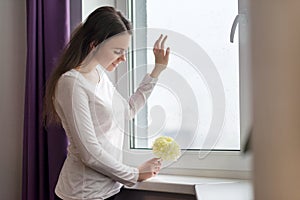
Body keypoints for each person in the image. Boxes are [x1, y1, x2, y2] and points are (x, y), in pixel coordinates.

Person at [43, 6, 170, 200]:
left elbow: (126, 112)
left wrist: (156, 71)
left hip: (110, 190)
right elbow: (89, 153)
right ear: (95, 45)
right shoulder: (71, 83)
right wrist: (134, 174)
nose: (123, 58)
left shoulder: (98, 74)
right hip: (82, 194)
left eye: (125, 51)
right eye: (117, 51)